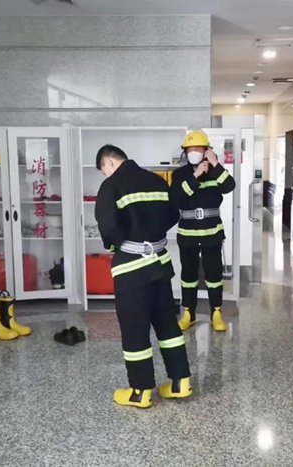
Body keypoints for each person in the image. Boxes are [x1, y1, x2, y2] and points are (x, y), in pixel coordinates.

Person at [94, 144, 192, 409]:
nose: (105, 174)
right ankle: (180, 382)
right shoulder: (156, 181)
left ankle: (140, 391)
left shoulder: (111, 185)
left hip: (131, 268)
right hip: (160, 264)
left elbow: (108, 227)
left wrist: (117, 243)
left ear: (108, 163)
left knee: (135, 328)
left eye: (103, 170)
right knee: (167, 324)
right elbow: (172, 214)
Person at [170, 130, 236, 333]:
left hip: (211, 233)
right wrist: (195, 176)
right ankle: (188, 313)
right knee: (188, 275)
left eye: (197, 148)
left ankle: (216, 312)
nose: (193, 152)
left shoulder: (216, 171)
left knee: (214, 275)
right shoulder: (180, 174)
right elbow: (176, 199)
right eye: (190, 149)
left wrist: (215, 164)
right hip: (188, 234)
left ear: (206, 150)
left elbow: (229, 186)